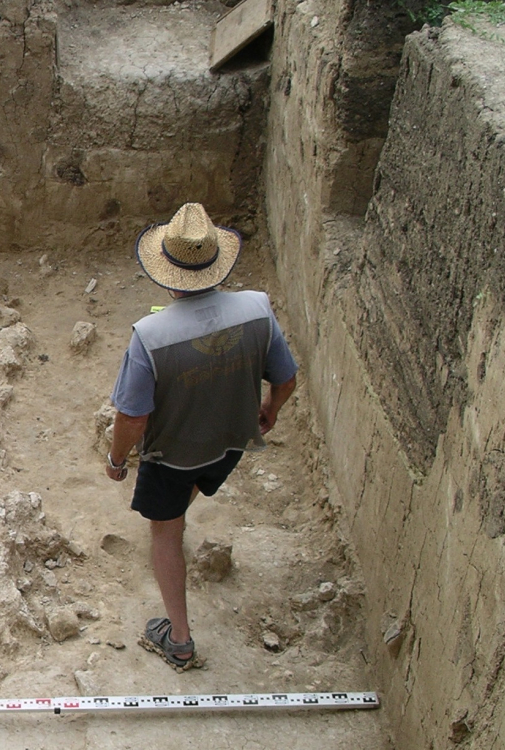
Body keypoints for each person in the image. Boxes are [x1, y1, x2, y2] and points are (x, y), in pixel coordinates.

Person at [104, 203, 298, 672]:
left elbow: (132, 417)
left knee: (165, 534)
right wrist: (270, 410)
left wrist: (115, 460)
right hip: (232, 440)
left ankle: (180, 640)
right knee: (190, 494)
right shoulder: (257, 308)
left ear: (166, 272)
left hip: (174, 456)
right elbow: (286, 377)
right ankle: (178, 517)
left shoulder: (151, 336)